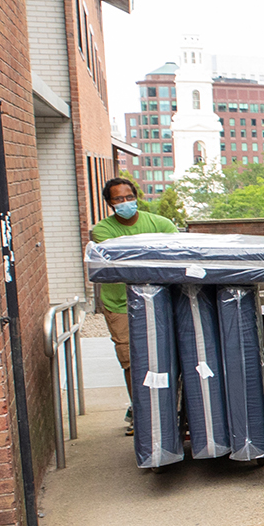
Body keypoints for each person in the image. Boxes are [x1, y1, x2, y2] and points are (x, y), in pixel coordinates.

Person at [88, 175, 178, 429]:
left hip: (161, 302)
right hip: (120, 304)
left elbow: (176, 253)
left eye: (129, 197)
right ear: (109, 203)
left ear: (136, 197)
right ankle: (141, 412)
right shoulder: (103, 230)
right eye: (119, 199)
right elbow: (118, 260)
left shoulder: (160, 223)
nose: (125, 202)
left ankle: (170, 407)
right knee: (131, 359)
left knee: (166, 355)